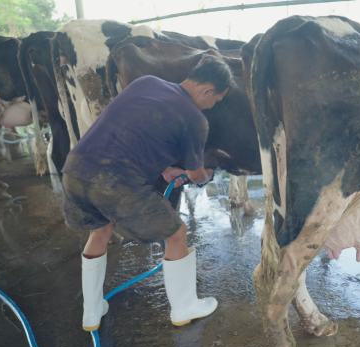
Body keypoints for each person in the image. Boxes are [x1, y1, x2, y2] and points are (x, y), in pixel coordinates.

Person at [61, 55, 233, 331]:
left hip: (76, 169)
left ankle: (91, 313)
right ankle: (184, 306)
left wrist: (165, 169)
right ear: (207, 90)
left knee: (100, 230)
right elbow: (196, 172)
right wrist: (206, 175)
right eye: (216, 100)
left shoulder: (146, 83)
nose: (213, 106)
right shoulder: (195, 119)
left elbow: (132, 130)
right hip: (114, 180)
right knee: (176, 233)